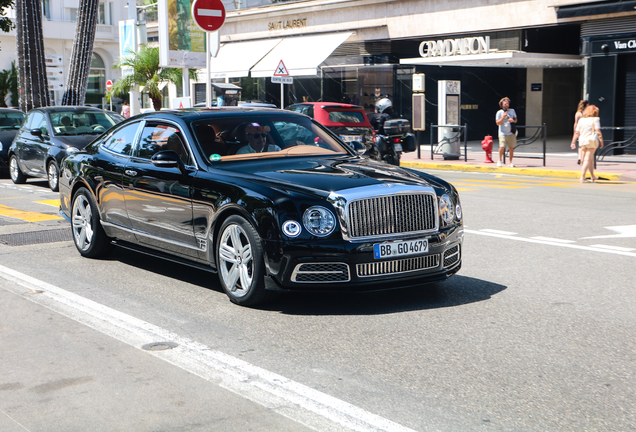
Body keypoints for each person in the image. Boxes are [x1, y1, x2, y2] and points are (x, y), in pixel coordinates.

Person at [571, 104, 603, 183]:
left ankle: (592, 176)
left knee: (590, 159)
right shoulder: (595, 119)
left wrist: (573, 142)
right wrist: (601, 141)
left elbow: (576, 132)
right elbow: (598, 131)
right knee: (587, 159)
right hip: (591, 141)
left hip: (582, 141)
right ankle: (582, 177)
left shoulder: (581, 120)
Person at [495, 97, 517, 167]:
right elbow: (497, 123)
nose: (507, 104)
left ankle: (510, 162)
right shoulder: (499, 112)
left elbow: (516, 120)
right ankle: (499, 160)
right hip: (503, 133)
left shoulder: (512, 111)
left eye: (507, 103)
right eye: (505, 103)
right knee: (502, 146)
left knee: (511, 148)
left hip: (511, 132)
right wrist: (503, 117)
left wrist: (513, 121)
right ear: (502, 104)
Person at [573, 99, 589, 165]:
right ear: (586, 105)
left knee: (580, 145)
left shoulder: (578, 113)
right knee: (584, 146)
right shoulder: (586, 113)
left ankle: (579, 158)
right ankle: (583, 159)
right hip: (585, 130)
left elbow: (576, 123)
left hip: (579, 130)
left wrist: (575, 131)